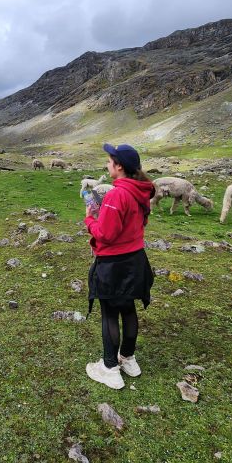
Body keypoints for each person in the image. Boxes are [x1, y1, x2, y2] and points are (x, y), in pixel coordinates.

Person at [83, 143, 156, 390]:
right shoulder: (140, 191)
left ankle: (110, 368)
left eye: (109, 160)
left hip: (114, 263)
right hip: (135, 260)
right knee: (128, 308)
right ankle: (129, 359)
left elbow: (106, 234)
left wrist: (89, 219)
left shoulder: (116, 194)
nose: (107, 164)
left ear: (119, 166)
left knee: (110, 313)